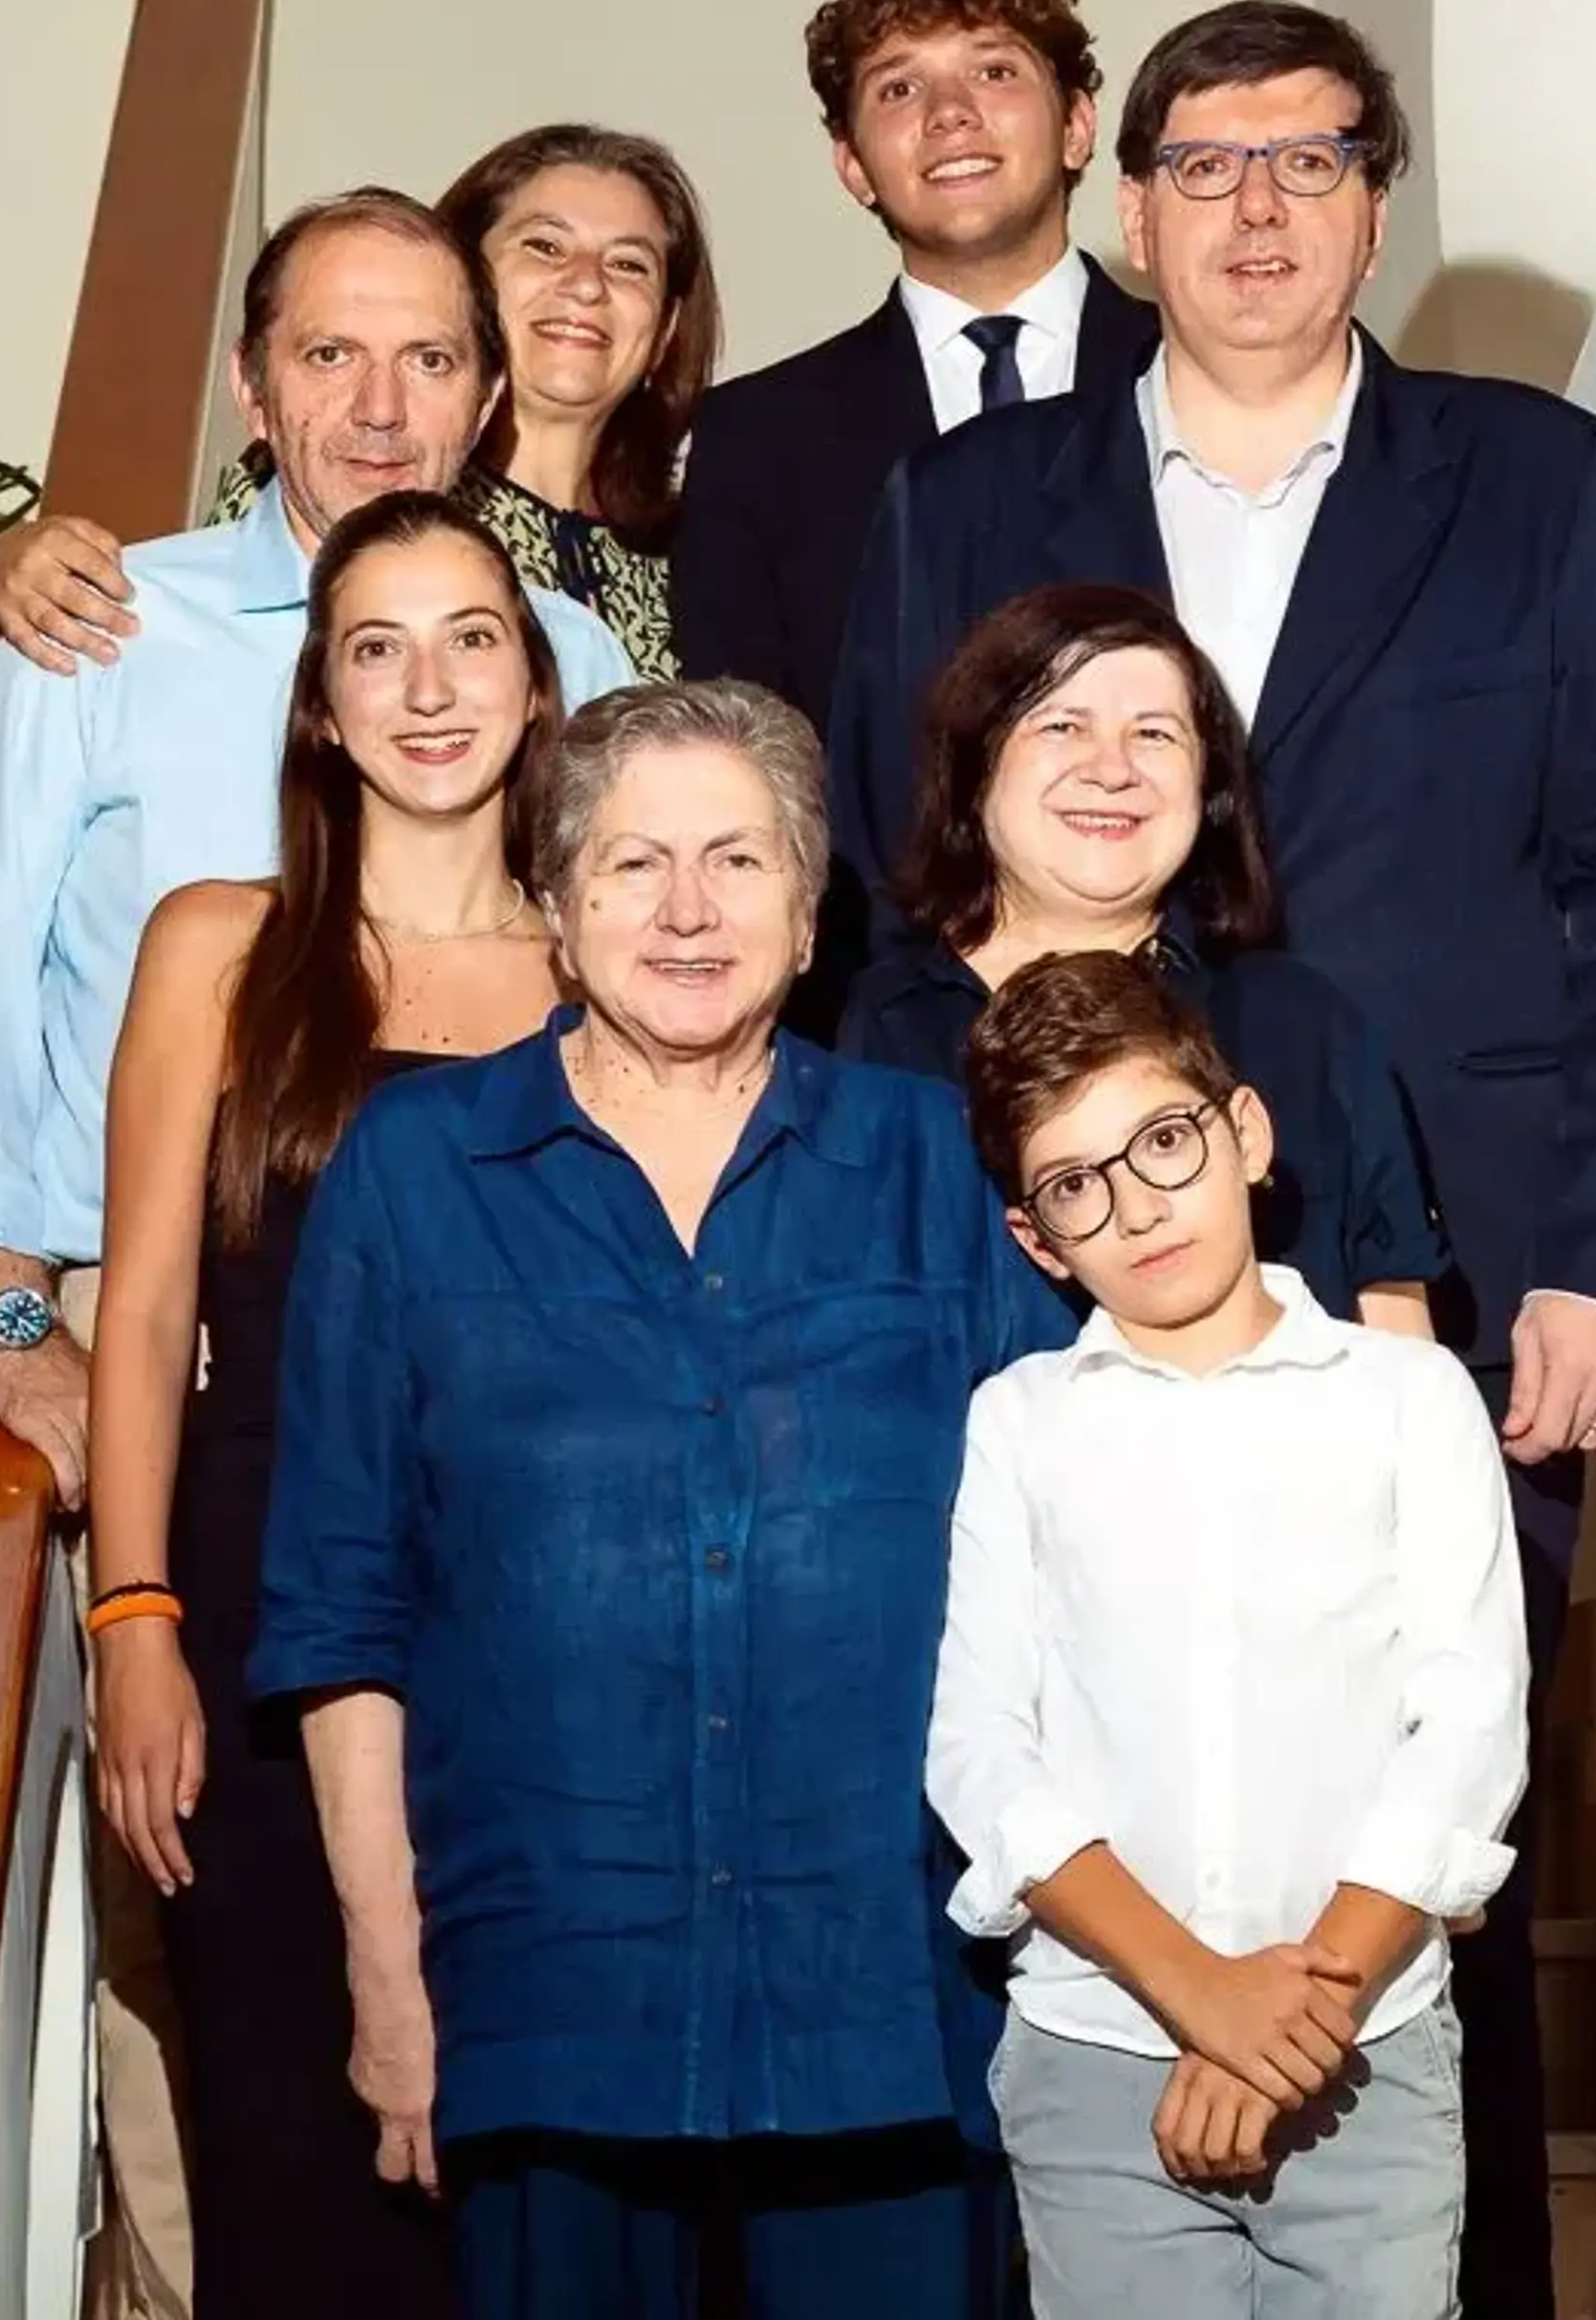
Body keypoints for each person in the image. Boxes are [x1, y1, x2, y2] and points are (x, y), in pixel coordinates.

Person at [818, 0, 1596, 2320]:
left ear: (1372, 205)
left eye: (1305, 163)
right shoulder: (964, 504)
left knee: (1427, 1829)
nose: (1250, 209)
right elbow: (872, 887)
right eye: (1201, 166)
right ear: (1128, 206)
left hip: (1450, 1285)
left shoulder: (1531, 480)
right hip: (1031, 1249)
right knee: (1045, 1783)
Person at [0, 185, 635, 2320]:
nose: (380, 402)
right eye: (328, 355)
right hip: (167, 1314)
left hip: (528, 1468)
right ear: (251, 387)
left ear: (493, 395)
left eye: (428, 357)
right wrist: (13, 1312)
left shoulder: (586, 663)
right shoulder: (101, 622)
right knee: (216, 2014)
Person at [247, 680, 1074, 2320]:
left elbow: (1086, 1556)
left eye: (738, 862)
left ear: (809, 904)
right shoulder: (413, 1174)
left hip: (893, 2004)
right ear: (554, 909)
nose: (687, 913)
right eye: (631, 867)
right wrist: (388, 1972)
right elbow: (342, 1613)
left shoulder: (940, 1168)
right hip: (541, 1999)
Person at [82, 490, 570, 2320]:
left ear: (536, 684)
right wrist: (135, 1621)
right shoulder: (219, 943)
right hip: (255, 1607)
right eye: (377, 646)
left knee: (520, 2148)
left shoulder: (611, 963)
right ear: (322, 702)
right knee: (292, 2136)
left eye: (471, 640)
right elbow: (140, 1315)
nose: (427, 688)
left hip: (533, 1622)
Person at [929, 948, 1529, 2319]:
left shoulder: (1406, 1396)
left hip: (1363, 2052)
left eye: (1165, 1143)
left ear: (1245, 1132)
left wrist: (1286, 2016)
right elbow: (981, 1751)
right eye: (1078, 1184)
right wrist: (1199, 1992)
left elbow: (1467, 1724)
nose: (1138, 1206)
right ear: (1037, 1237)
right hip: (1098, 2060)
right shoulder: (1020, 1422)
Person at [838, 581, 1440, 1335]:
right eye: (1062, 726)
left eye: (1155, 735)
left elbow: (1396, 1336)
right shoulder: (877, 1036)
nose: (1112, 770)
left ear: (1209, 786)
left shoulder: (1299, 1024)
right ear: (975, 767)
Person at [0, 126, 718, 680]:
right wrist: (20, 564)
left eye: (629, 264)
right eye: (544, 247)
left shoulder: (695, 546)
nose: (586, 285)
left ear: (665, 330)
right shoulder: (352, 479)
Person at [667, 0, 1161, 733]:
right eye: (898, 90)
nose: (950, 115)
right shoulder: (755, 440)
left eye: (994, 72)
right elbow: (743, 765)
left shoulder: (1200, 374)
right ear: (853, 166)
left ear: (1077, 125)